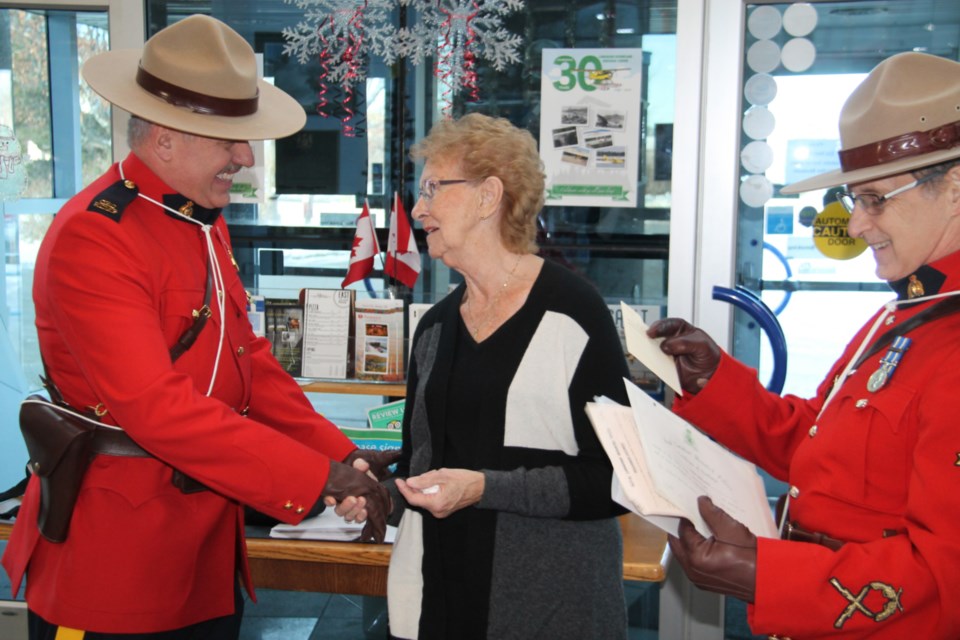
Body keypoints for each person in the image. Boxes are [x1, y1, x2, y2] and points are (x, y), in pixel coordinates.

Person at [1, 15, 394, 639]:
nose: (245, 157)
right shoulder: (94, 237)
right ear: (164, 139)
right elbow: (157, 408)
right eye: (230, 141)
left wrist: (338, 453)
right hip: (118, 564)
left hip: (204, 551)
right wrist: (317, 478)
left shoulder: (198, 220)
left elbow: (251, 366)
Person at [648, 51, 960, 638]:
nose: (859, 224)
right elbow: (816, 447)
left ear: (955, 188)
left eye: (875, 199)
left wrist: (766, 576)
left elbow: (944, 582)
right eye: (854, 200)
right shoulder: (905, 315)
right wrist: (716, 382)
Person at [382, 113, 630, 639]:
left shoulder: (573, 312)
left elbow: (613, 481)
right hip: (444, 599)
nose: (418, 208)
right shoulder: (435, 327)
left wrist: (484, 489)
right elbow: (424, 463)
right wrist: (378, 488)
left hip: (549, 605)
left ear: (487, 196)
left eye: (432, 188)